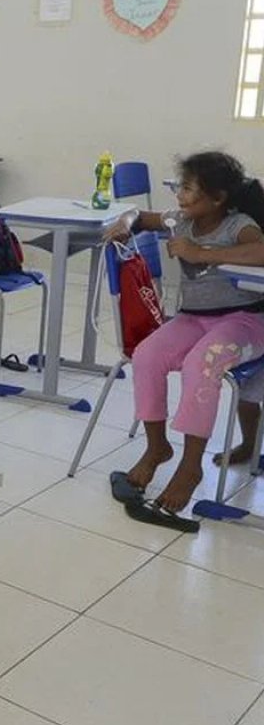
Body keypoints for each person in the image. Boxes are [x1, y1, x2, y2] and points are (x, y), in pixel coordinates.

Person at [105, 151, 264, 514]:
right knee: (146, 355)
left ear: (218, 198)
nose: (179, 195)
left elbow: (262, 249)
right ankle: (157, 447)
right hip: (194, 318)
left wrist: (200, 252)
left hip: (245, 321)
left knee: (200, 365)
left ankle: (190, 467)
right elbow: (139, 216)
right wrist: (126, 222)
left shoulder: (238, 225)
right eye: (180, 186)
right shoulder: (180, 219)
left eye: (188, 188)